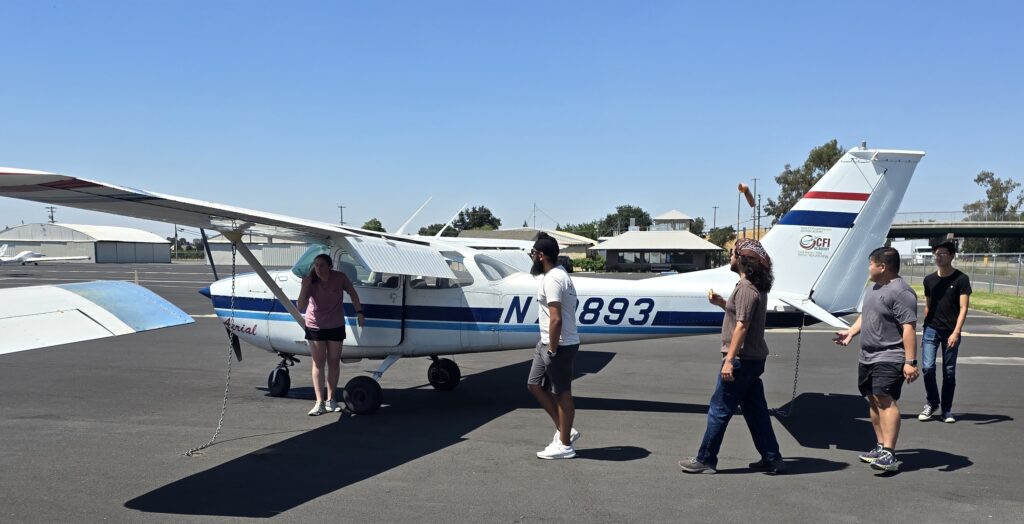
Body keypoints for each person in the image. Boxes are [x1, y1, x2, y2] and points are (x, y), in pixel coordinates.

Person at [680, 238, 785, 474]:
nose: (730, 257)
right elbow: (742, 313)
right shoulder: (752, 286)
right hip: (751, 359)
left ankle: (706, 458)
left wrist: (729, 360)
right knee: (755, 410)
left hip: (741, 361)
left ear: (742, 259)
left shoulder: (747, 288)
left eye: (732, 253)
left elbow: (742, 326)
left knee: (719, 409)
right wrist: (723, 304)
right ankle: (772, 457)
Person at [834, 247, 919, 472]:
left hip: (890, 355)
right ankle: (881, 446)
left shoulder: (902, 293)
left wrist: (911, 362)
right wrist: (851, 332)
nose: (868, 268)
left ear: (882, 267)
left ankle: (889, 452)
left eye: (870, 264)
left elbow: (908, 328)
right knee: (872, 398)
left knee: (884, 398)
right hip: (868, 356)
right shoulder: (874, 288)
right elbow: (867, 315)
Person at [527, 233, 582, 459]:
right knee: (534, 384)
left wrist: (552, 348)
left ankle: (565, 445)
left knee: (562, 394)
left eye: (532, 254)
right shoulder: (559, 274)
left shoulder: (552, 279)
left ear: (540, 256)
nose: (531, 257)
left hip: (557, 344)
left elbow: (556, 318)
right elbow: (573, 305)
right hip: (548, 341)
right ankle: (565, 429)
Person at [298, 253, 365, 416]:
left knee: (334, 361)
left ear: (330, 266)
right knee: (318, 362)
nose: (318, 268)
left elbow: (353, 293)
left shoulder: (340, 277)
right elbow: (301, 306)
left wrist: (359, 312)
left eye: (321, 265)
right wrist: (305, 286)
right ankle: (319, 402)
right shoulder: (310, 281)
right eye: (316, 265)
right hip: (315, 325)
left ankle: (331, 399)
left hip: (335, 324)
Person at [919, 241, 971, 423]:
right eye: (936, 254)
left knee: (949, 372)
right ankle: (932, 402)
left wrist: (956, 332)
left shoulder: (961, 279)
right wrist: (925, 330)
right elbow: (928, 306)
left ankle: (947, 409)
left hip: (951, 331)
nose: (938, 257)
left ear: (951, 256)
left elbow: (963, 308)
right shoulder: (929, 280)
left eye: (942, 254)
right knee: (927, 368)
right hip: (931, 329)